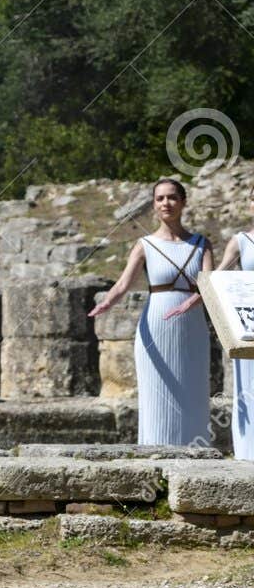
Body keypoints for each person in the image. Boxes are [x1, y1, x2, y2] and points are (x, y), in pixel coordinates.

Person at [88, 179, 212, 446]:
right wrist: (107, 303)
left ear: (183, 202)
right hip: (156, 323)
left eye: (171, 197)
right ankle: (156, 456)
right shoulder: (145, 244)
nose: (165, 203)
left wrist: (193, 301)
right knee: (157, 395)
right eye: (159, 199)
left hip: (192, 326)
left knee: (194, 391)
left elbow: (209, 284)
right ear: (154, 205)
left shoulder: (202, 244)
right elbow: (123, 284)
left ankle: (195, 455)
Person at [213, 217, 254, 460]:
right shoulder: (241, 241)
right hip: (248, 324)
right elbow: (217, 278)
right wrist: (195, 297)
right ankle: (250, 453)